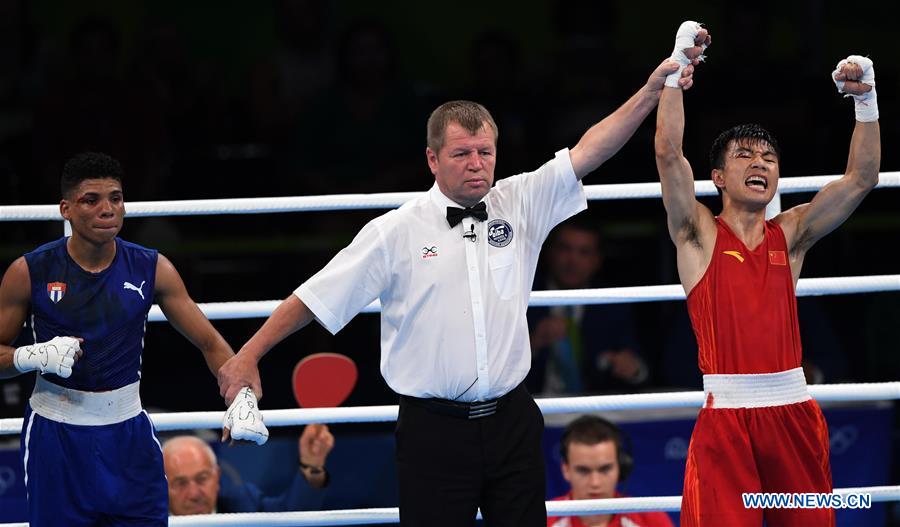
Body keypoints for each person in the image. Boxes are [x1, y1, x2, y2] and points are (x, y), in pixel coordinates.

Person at [217, 57, 700, 527]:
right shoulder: (395, 232)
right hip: (434, 429)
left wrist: (653, 90)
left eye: (485, 152)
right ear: (432, 159)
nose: (476, 164)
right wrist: (248, 356)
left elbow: (592, 148)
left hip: (512, 418)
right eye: (461, 154)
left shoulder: (522, 199)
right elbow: (315, 296)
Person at [654, 21, 880, 527]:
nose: (761, 163)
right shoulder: (698, 233)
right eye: (746, 156)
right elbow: (669, 154)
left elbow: (862, 179)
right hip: (727, 417)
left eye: (770, 157)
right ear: (718, 177)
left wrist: (866, 104)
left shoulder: (792, 233)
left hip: (794, 413)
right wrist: (675, 70)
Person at [0, 152, 267, 526]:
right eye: (91, 200)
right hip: (55, 435)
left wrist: (240, 396)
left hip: (127, 433)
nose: (107, 209)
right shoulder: (29, 272)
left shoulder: (152, 268)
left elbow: (209, 343)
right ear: (66, 209)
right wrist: (31, 356)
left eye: (116, 198)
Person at [528, 220, 648, 395]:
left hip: (595, 412)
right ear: (549, 252)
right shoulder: (522, 297)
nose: (573, 260)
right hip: (535, 409)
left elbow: (640, 367)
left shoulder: (613, 303)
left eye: (584, 252)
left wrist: (633, 369)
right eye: (565, 249)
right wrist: (532, 344)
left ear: (597, 260)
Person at [164, 423, 334, 515]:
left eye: (202, 478)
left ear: (217, 477)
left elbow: (292, 515)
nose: (194, 494)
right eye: (180, 483)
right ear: (162, 487)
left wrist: (312, 465)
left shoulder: (243, 504)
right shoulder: (146, 519)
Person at [549, 415, 674, 527]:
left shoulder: (650, 519)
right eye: (583, 471)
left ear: (621, 466)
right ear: (565, 470)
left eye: (605, 469)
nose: (595, 483)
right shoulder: (544, 518)